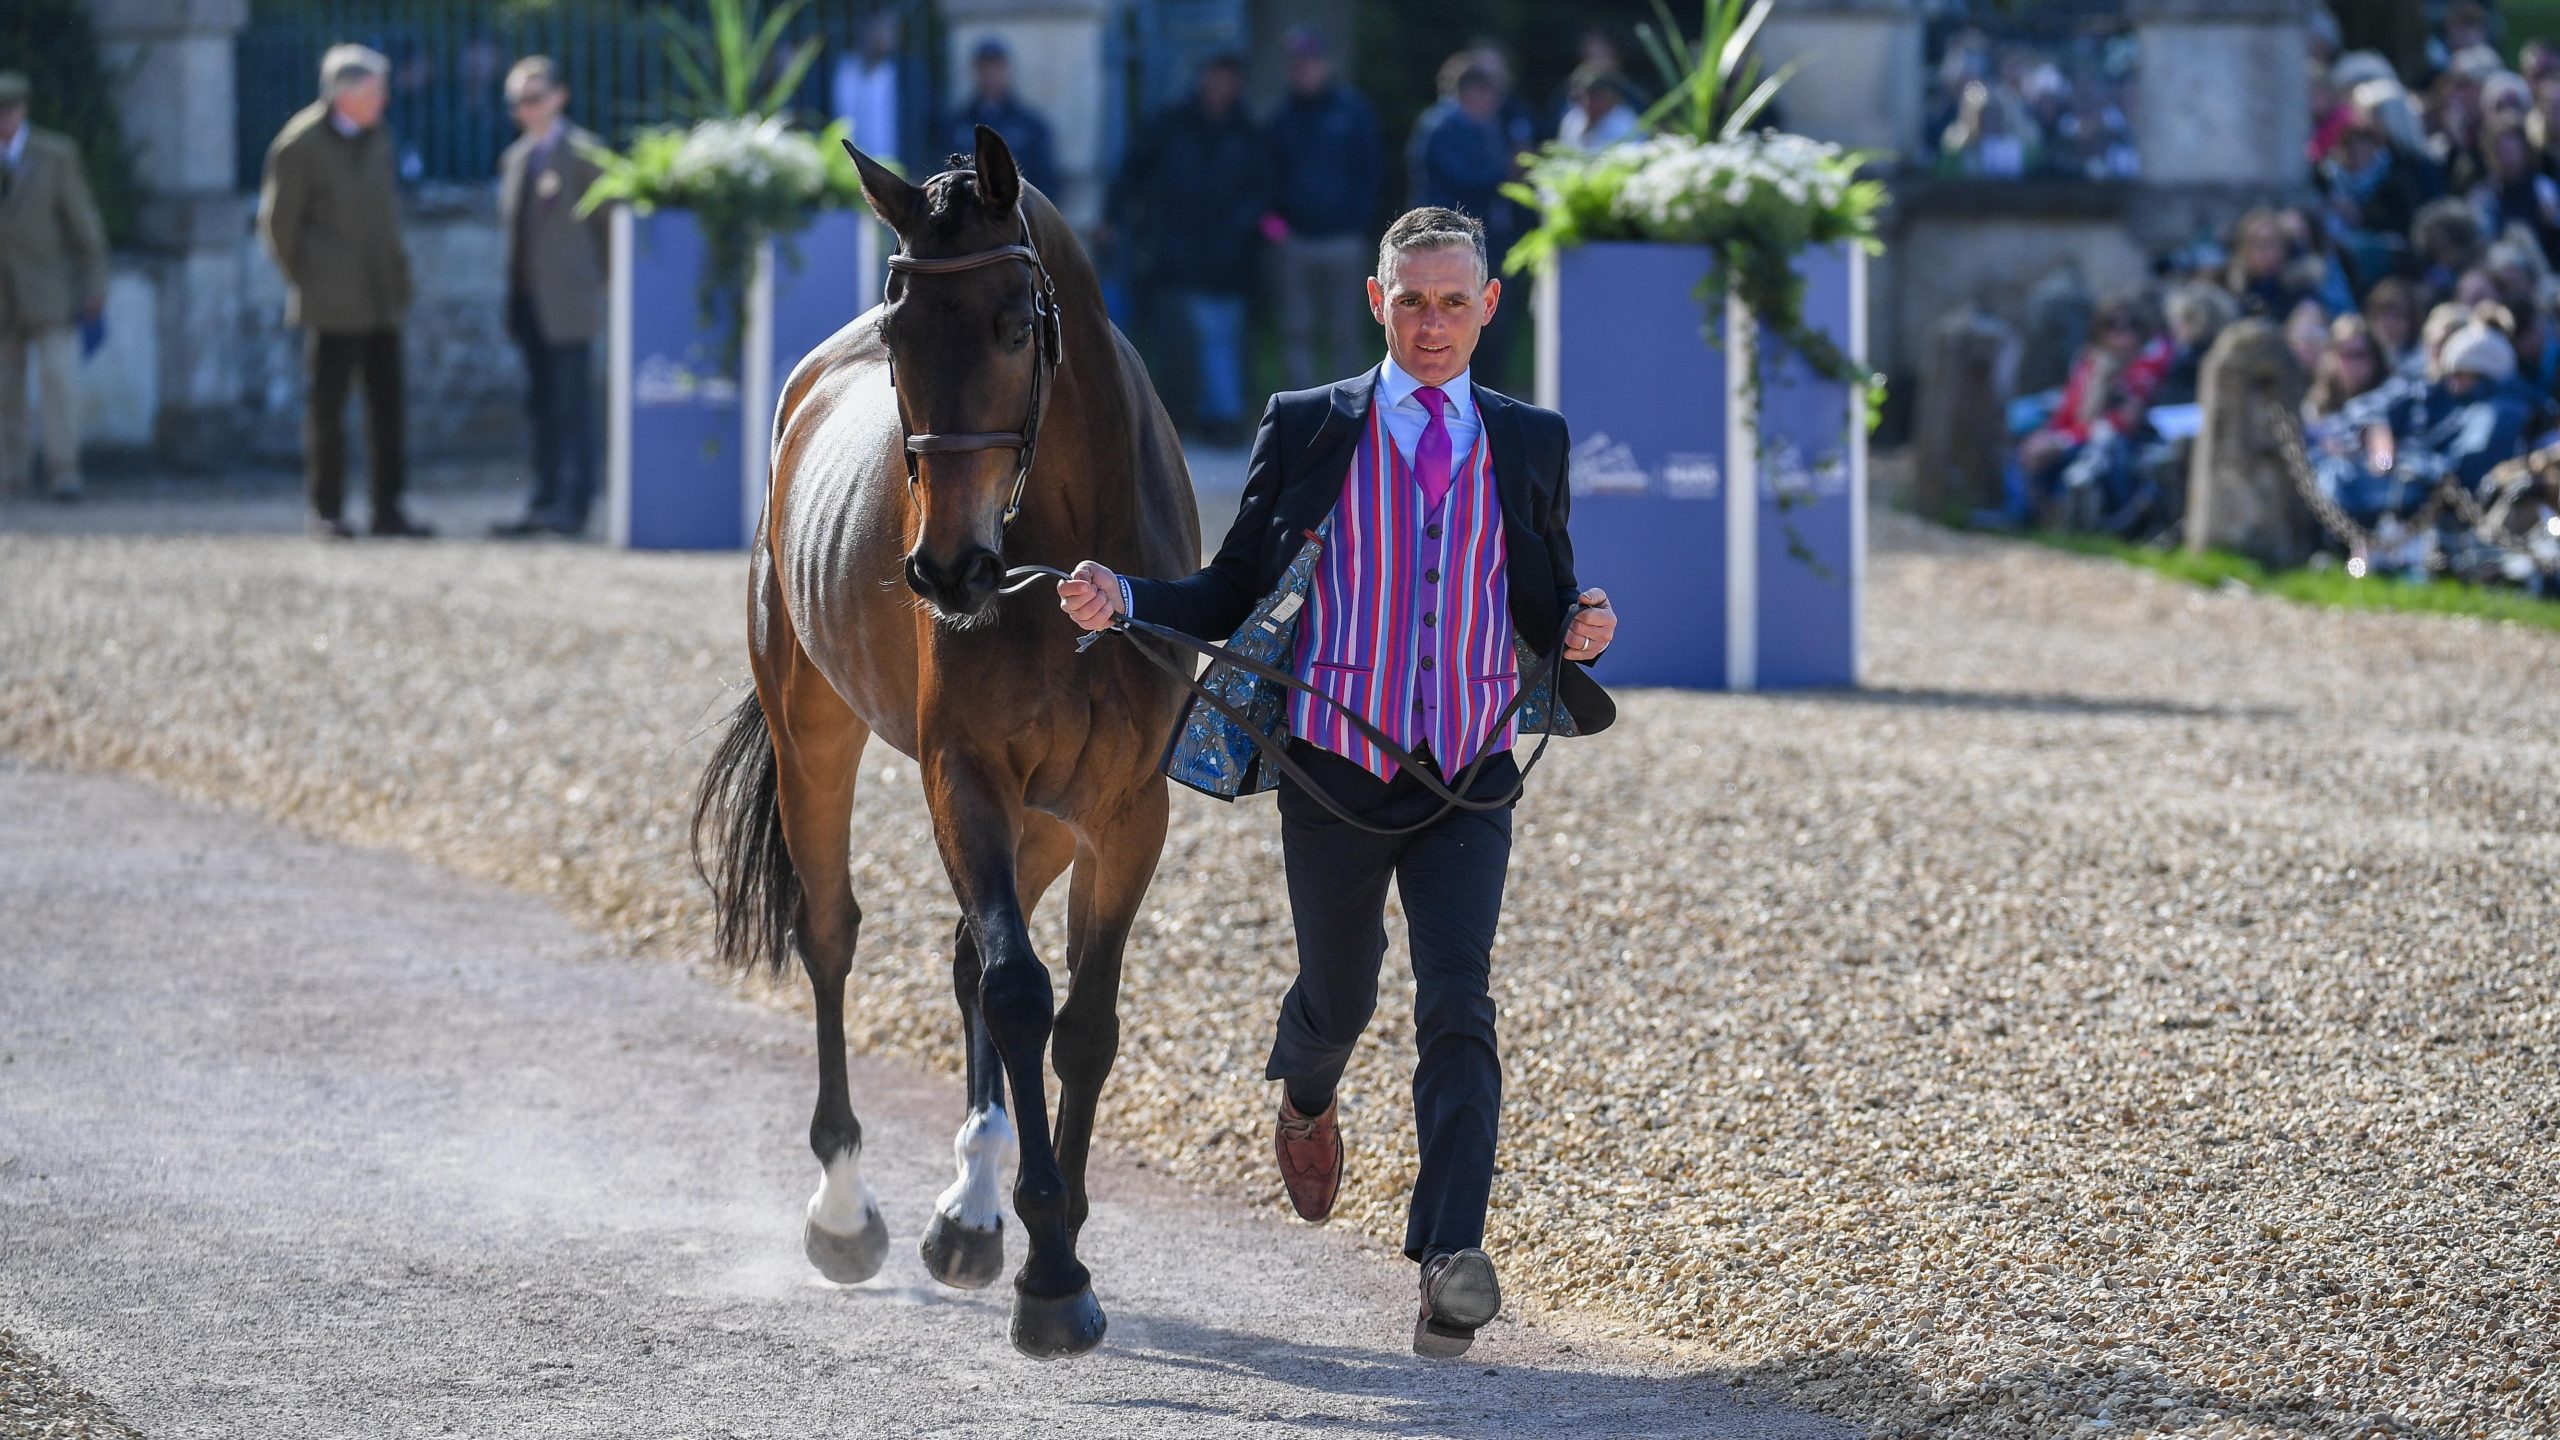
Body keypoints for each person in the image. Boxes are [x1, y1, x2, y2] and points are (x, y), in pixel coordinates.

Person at [1051, 207, 1619, 1359]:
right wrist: (1130, 598)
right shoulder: (1309, 425)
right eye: (1410, 300)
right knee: (1339, 995)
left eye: (1452, 302)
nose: (1431, 324)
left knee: (1458, 999)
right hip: (1332, 766)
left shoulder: (1531, 440)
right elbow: (1231, 588)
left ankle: (1449, 1260)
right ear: (1376, 301)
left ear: (1488, 307)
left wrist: (1581, 623)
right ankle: (1306, 1094)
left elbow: (1544, 596)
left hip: (1469, 771)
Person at [260, 44, 430, 539]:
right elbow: (278, 226)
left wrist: (398, 274)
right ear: (344, 93)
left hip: (381, 293)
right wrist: (310, 278)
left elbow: (386, 213)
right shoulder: (300, 144)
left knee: (388, 407)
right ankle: (327, 510)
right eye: (375, 91)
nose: (384, 100)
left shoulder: (379, 135)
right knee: (328, 409)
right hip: (331, 300)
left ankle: (388, 507)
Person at [1107, 54, 1267, 445]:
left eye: (1227, 78)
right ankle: (1179, 415)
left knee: (1220, 334)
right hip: (1175, 254)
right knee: (1175, 340)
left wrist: (1242, 231)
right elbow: (1134, 170)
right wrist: (1115, 216)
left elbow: (1262, 190)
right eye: (1214, 76)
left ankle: (1222, 417)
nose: (1219, 86)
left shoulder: (1247, 133)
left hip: (1228, 257)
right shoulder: (1170, 125)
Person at [491, 56, 607, 539]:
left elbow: (609, 228)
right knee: (538, 405)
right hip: (527, 303)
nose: (525, 109)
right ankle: (542, 499)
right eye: (516, 100)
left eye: (534, 97)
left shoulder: (585, 155)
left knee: (573, 405)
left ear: (560, 97)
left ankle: (575, 503)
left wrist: (601, 284)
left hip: (569, 303)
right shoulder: (515, 159)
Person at [0, 70, 107, 505]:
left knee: (57, 383)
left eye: (9, 111)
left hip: (50, 292)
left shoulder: (55, 155)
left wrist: (94, 287)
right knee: (5, 389)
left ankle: (64, 471)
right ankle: (10, 474)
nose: (3, 120)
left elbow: (85, 228)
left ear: (23, 110)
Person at [1265, 28, 1380, 392]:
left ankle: (1348, 404)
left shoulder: (1352, 111)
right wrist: (1275, 229)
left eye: (1310, 62)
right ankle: (1302, 404)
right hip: (1294, 241)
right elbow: (1266, 178)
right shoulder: (1281, 118)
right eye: (1297, 63)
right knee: (1295, 329)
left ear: (1325, 64)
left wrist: (1359, 224)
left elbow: (1370, 170)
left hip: (1344, 240)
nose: (1304, 70)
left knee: (1346, 330)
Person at [946, 39, 1057, 199]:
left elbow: (1045, 182)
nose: (991, 74)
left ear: (1006, 69)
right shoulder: (956, 124)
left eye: (996, 67)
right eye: (985, 67)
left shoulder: (1030, 126)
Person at [831, 15, 903, 172]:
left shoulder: (904, 73)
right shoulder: (843, 69)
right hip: (847, 168)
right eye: (877, 28)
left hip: (895, 170)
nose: (882, 35)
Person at [1556, 62, 1639, 152]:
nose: (1588, 102)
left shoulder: (1626, 124)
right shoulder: (1572, 120)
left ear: (1612, 97)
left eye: (1595, 96)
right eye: (1582, 97)